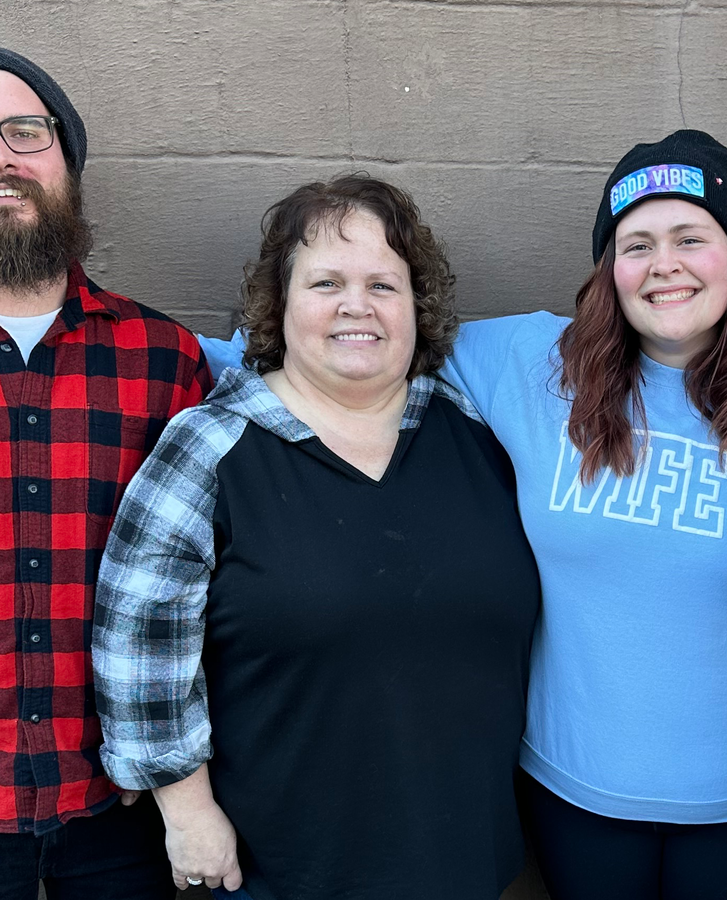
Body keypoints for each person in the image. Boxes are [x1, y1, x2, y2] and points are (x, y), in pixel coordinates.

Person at [92, 175, 541, 900]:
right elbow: (138, 639)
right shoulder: (209, 447)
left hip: (460, 854)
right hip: (281, 865)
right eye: (326, 282)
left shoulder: (480, 435)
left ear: (417, 306)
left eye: (383, 285)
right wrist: (186, 809)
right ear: (280, 304)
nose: (356, 305)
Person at [440, 130, 727, 900]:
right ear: (609, 270)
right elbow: (360, 349)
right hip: (575, 787)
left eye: (691, 238)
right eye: (637, 245)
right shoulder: (532, 365)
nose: (664, 264)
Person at [0, 48, 212, 900]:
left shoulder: (164, 357)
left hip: (120, 806)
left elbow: (213, 581)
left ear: (68, 162)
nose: (3, 159)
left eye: (24, 132)